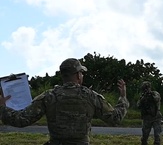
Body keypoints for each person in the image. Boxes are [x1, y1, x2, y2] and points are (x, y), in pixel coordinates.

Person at [0, 58, 129, 145]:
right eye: (82, 73)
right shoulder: (91, 96)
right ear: (78, 75)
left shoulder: (48, 96)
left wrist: (2, 107)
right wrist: (123, 97)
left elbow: (21, 120)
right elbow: (115, 118)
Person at [137, 81, 163, 145]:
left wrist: (150, 95)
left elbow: (157, 99)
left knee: (157, 135)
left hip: (156, 117)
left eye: (147, 88)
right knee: (145, 136)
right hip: (146, 118)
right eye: (144, 88)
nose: (145, 89)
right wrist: (144, 98)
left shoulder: (155, 93)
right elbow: (138, 105)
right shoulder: (142, 96)